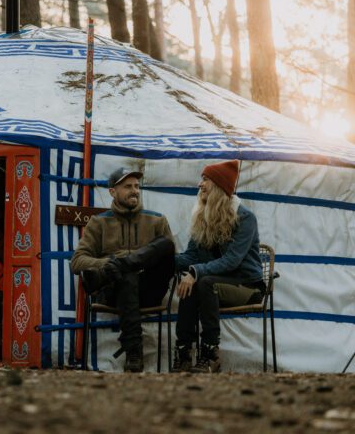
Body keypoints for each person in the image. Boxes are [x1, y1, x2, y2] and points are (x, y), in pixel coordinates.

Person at [71, 167, 175, 372]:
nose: (134, 191)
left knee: (166, 245)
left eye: (137, 186)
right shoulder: (99, 222)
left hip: (148, 290)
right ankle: (134, 350)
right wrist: (108, 263)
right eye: (127, 186)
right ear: (112, 191)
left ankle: (124, 264)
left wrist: (130, 262)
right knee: (126, 275)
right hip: (114, 290)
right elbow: (77, 261)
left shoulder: (156, 220)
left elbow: (169, 258)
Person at [172, 160, 264, 373]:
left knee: (203, 283)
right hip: (215, 282)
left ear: (220, 185)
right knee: (195, 283)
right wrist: (165, 259)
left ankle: (210, 353)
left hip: (247, 286)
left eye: (206, 180)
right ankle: (184, 352)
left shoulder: (245, 218)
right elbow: (192, 255)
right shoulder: (203, 217)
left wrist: (195, 271)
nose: (200, 184)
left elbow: (232, 260)